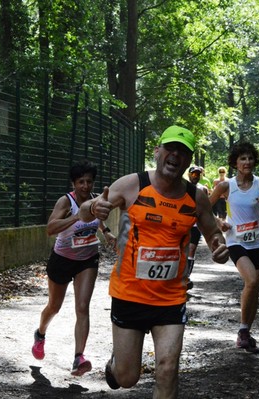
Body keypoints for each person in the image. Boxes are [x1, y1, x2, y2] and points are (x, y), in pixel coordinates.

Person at [79, 125, 229, 398]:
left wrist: (220, 247)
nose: (175, 155)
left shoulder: (196, 197)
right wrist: (92, 207)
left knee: (167, 368)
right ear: (157, 151)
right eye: (170, 148)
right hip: (130, 293)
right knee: (127, 378)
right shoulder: (132, 184)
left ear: (188, 160)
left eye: (183, 152)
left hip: (171, 298)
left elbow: (213, 234)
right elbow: (84, 212)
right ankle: (116, 364)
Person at [31, 160, 116, 377]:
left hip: (87, 259)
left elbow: (97, 220)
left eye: (89, 181)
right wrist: (76, 216)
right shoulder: (66, 201)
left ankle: (79, 357)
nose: (86, 186)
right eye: (81, 182)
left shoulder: (96, 200)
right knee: (54, 306)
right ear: (74, 183)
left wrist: (105, 232)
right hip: (62, 259)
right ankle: (40, 334)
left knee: (82, 307)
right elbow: (50, 229)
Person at [209, 142, 259, 354]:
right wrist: (218, 223)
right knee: (251, 280)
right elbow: (203, 208)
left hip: (257, 243)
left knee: (254, 289)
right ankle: (243, 331)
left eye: (250, 158)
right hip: (236, 241)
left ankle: (246, 332)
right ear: (235, 163)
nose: (247, 162)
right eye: (243, 158)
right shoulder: (226, 186)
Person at [186, 165, 210, 290]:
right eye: (193, 174)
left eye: (198, 174)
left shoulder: (203, 189)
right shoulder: (181, 187)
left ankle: (186, 277)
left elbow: (207, 207)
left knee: (191, 249)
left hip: (195, 225)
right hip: (183, 223)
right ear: (189, 175)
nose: (195, 176)